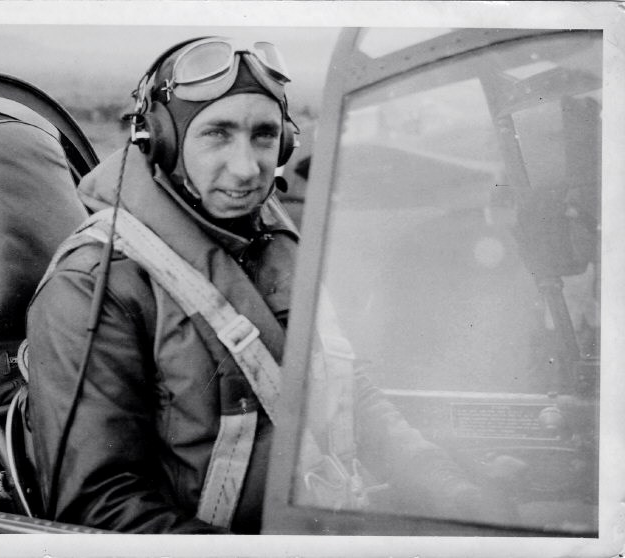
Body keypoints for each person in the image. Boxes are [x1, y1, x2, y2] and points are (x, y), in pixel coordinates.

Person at [26, 36, 511, 534]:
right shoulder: (97, 283)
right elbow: (98, 510)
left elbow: (346, 391)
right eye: (217, 134)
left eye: (263, 135)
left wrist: (451, 489)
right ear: (161, 142)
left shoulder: (269, 237)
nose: (247, 167)